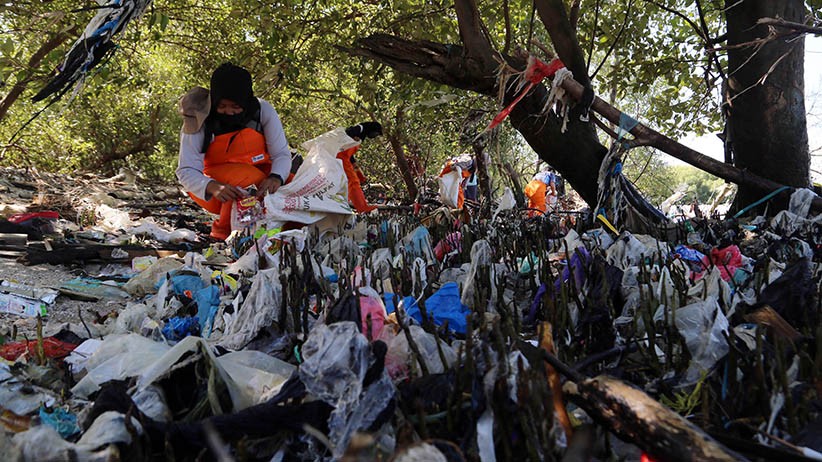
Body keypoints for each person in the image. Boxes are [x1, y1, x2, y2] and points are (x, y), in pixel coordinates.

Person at [176, 63, 291, 240]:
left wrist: (276, 177)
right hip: (214, 189)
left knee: (292, 185)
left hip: (262, 175)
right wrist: (211, 186)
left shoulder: (263, 111)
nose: (229, 112)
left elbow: (281, 154)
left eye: (236, 106)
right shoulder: (198, 117)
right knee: (247, 180)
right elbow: (186, 170)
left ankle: (288, 230)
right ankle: (224, 233)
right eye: (222, 106)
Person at [338, 122, 382, 213]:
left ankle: (349, 202)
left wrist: (355, 164)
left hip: (345, 159)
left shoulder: (362, 134)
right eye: (375, 133)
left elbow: (349, 153)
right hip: (341, 158)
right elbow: (347, 133)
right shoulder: (360, 128)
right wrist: (352, 137)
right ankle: (362, 207)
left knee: (351, 181)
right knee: (353, 182)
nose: (374, 136)